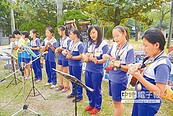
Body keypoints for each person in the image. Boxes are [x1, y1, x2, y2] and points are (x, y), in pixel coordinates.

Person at [128, 28, 172, 116]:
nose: (144, 48)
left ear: (156, 45)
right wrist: (138, 66)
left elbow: (159, 91)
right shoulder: (153, 57)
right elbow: (146, 67)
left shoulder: (162, 64)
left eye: (146, 45)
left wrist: (138, 77)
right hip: (141, 98)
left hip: (148, 103)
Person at [103, 26, 135, 116]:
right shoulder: (114, 45)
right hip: (111, 76)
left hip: (119, 79)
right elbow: (105, 55)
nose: (115, 39)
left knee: (117, 102)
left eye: (117, 36)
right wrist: (107, 57)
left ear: (124, 34)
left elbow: (130, 67)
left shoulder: (129, 49)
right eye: (114, 37)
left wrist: (117, 64)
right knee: (115, 101)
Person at [82, 25, 109, 115]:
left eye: (93, 32)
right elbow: (84, 54)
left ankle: (97, 106)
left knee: (96, 89)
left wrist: (96, 61)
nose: (92, 35)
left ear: (98, 32)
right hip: (88, 69)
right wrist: (86, 57)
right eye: (90, 33)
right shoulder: (89, 43)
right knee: (88, 87)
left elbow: (105, 59)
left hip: (97, 70)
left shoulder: (103, 44)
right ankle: (91, 103)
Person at [63, 28, 84, 102]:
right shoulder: (71, 42)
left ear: (75, 35)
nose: (70, 35)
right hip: (71, 63)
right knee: (72, 78)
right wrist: (65, 52)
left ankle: (79, 95)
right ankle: (74, 92)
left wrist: (72, 57)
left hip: (77, 64)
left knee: (77, 79)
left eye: (71, 34)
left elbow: (82, 56)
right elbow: (68, 50)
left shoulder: (80, 44)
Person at [55, 26, 71, 92]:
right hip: (60, 57)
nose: (59, 33)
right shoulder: (60, 39)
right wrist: (57, 49)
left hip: (65, 57)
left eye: (59, 31)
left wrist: (62, 49)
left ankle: (67, 86)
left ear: (63, 31)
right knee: (59, 70)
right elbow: (58, 47)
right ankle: (61, 85)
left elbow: (68, 49)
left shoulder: (68, 39)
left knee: (65, 72)